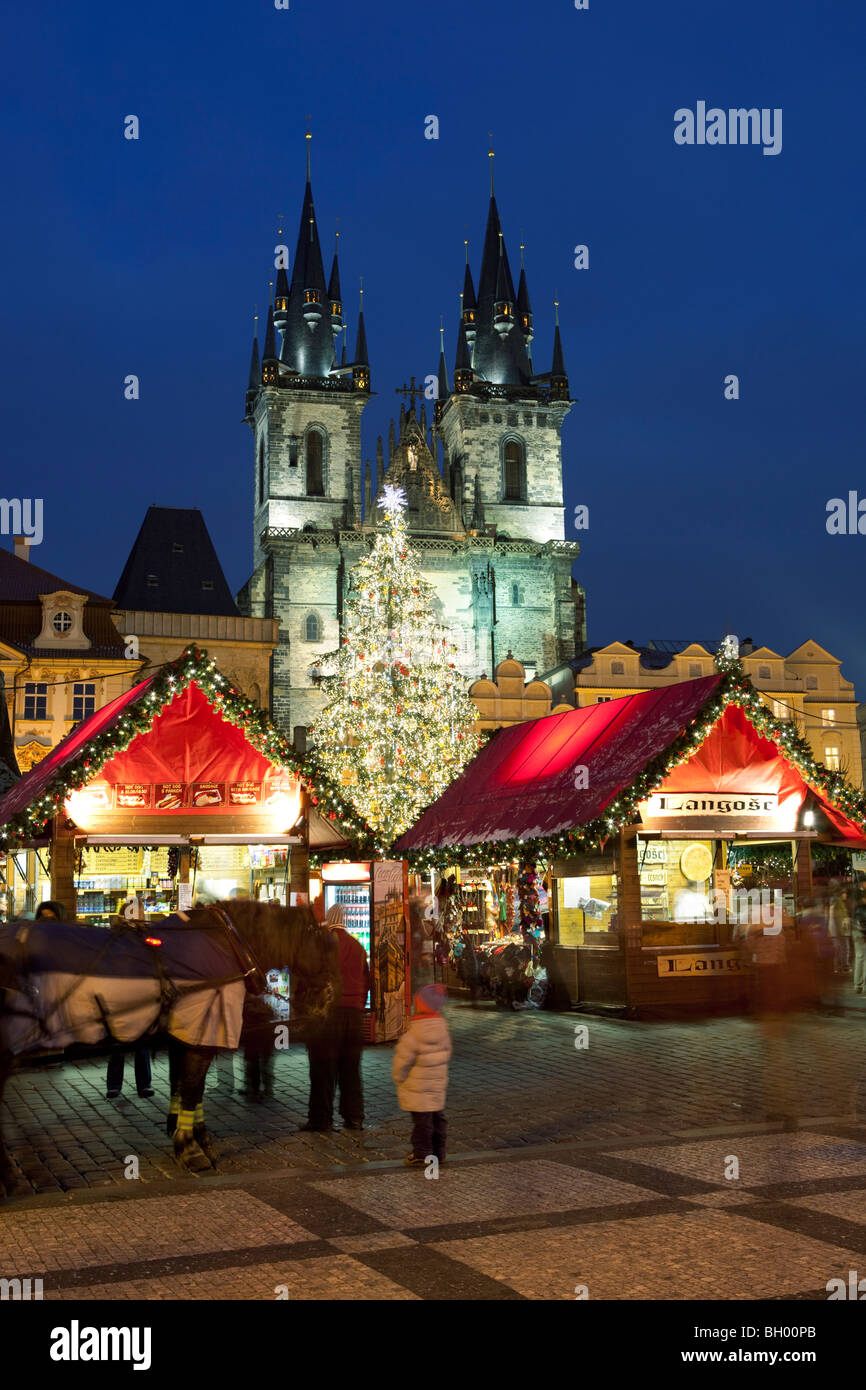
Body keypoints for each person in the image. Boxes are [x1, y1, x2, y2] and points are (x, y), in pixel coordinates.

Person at [302, 904, 370, 1132]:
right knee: (350, 1070)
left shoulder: (322, 947)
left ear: (329, 922)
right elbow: (366, 981)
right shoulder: (358, 947)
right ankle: (354, 1117)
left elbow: (310, 979)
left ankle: (321, 1119)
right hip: (353, 1016)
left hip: (327, 1015)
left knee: (323, 1069)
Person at [391, 983, 452, 1168]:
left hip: (418, 1089)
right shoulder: (442, 1030)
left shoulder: (413, 1033)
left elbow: (402, 1061)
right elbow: (447, 1052)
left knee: (422, 1124)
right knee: (437, 1119)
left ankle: (422, 1153)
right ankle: (439, 1152)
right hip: (436, 1087)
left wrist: (398, 1077)